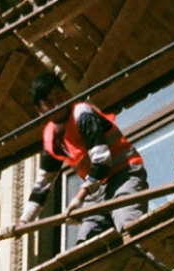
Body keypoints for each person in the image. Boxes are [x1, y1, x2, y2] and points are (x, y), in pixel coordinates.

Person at [19, 72, 150, 244]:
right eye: (49, 103)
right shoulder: (52, 136)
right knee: (86, 245)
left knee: (131, 231)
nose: (57, 105)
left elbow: (102, 160)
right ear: (39, 110)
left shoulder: (82, 113)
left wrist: (79, 198)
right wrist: (23, 222)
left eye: (59, 97)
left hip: (123, 176)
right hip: (96, 190)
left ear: (66, 94)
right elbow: (42, 184)